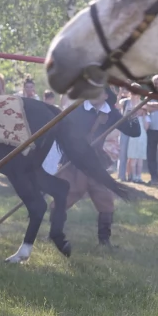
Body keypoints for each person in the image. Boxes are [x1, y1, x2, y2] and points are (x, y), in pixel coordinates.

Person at [60, 88, 141, 246]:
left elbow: (134, 131)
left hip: (95, 164)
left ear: (105, 95)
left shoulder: (111, 113)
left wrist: (132, 112)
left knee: (104, 199)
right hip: (75, 161)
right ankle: (55, 234)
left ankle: (104, 241)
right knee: (65, 198)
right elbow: (64, 131)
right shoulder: (77, 109)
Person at [120, 91, 148, 182]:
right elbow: (117, 106)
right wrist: (120, 93)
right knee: (126, 155)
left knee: (135, 156)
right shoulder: (125, 102)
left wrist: (143, 114)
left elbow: (146, 124)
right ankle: (124, 176)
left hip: (138, 133)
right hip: (127, 129)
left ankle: (135, 176)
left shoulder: (142, 103)